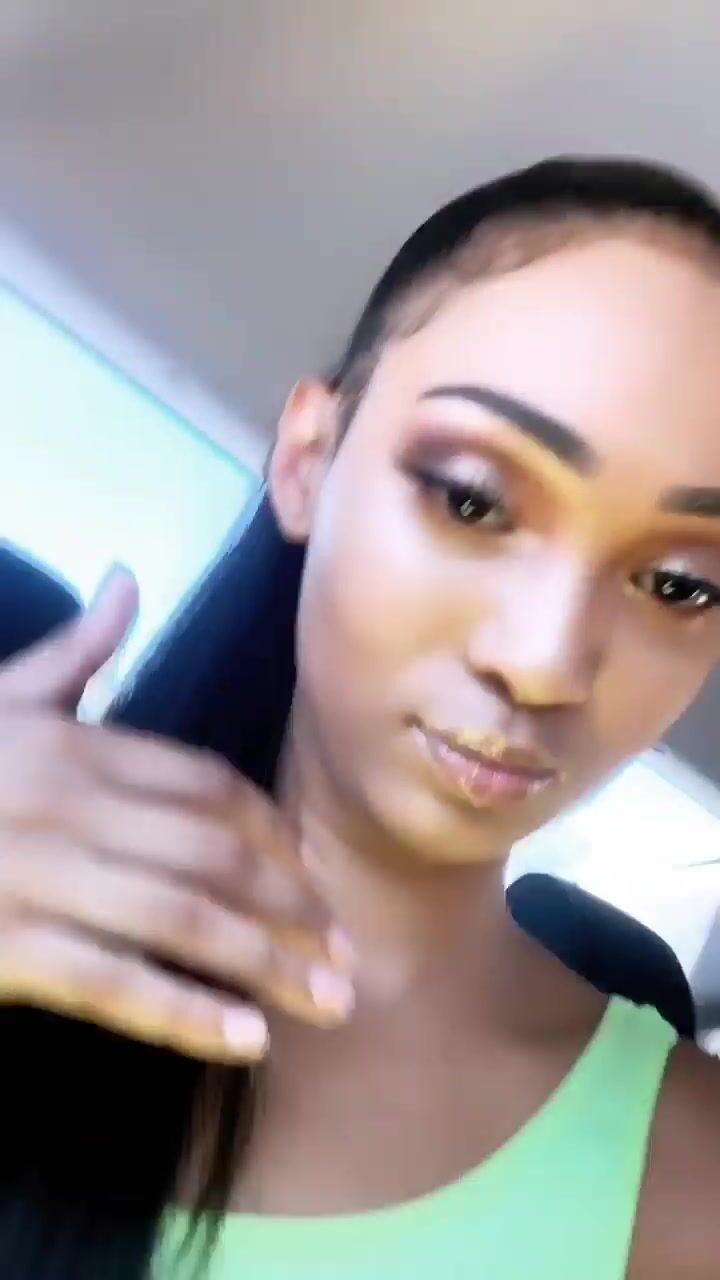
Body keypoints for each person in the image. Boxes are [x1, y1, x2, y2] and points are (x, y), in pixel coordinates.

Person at [3, 156, 720, 1280]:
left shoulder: (693, 1179)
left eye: (678, 584)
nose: (541, 663)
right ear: (306, 462)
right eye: (471, 500)